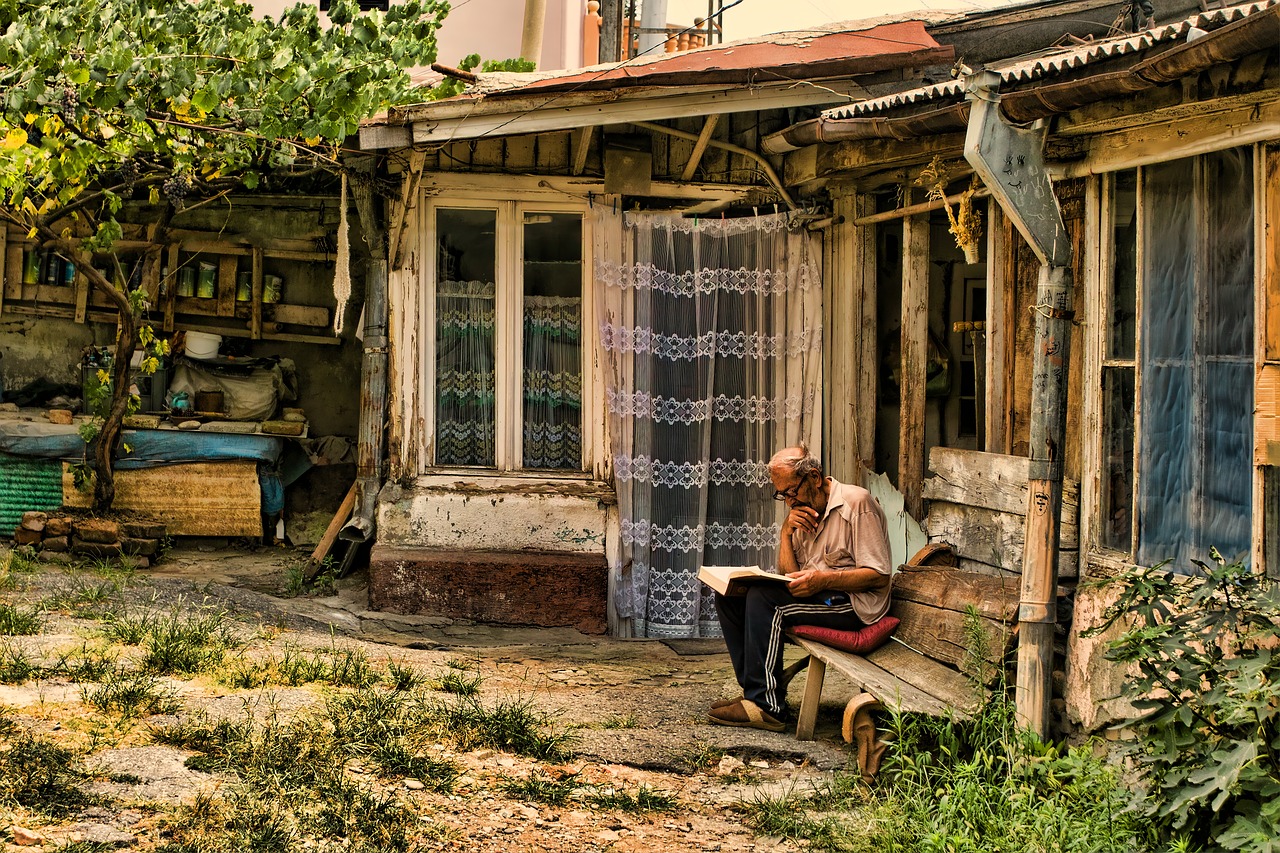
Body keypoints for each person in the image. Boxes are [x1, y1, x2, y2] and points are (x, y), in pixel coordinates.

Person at [709, 443, 892, 732]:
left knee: (765, 600)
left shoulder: (857, 504)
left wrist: (823, 580)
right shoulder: (802, 513)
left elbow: (879, 575)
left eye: (791, 492)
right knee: (731, 597)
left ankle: (767, 706)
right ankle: (754, 694)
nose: (788, 501)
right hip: (821, 596)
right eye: (781, 494)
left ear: (815, 478)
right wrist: (785, 533)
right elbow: (790, 575)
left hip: (854, 605)